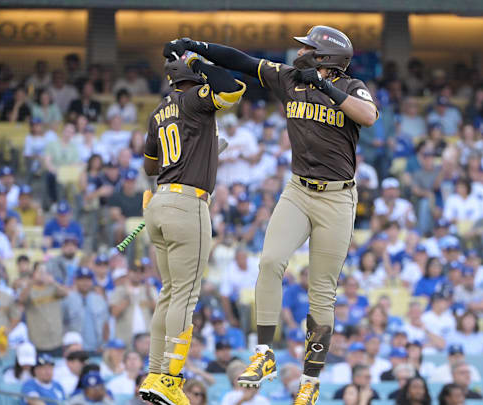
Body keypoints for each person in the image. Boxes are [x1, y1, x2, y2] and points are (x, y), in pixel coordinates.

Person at [165, 26, 378, 403]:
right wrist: (198, 47)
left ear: (327, 58)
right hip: (298, 190)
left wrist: (327, 87)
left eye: (309, 48)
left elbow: (368, 115)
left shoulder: (352, 85)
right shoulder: (289, 78)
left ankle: (310, 381)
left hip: (337, 199)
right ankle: (264, 354)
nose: (300, 52)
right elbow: (243, 62)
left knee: (321, 294)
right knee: (269, 263)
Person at [139, 51, 246, 405]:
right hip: (187, 204)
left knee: (168, 294)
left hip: (159, 202)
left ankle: (155, 373)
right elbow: (232, 89)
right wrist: (204, 64)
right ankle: (170, 379)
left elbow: (151, 166)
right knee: (185, 295)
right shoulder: (196, 99)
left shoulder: (159, 111)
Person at [19, 262, 69, 356]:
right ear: (33, 273)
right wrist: (32, 282)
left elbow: (65, 293)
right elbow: (21, 300)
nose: (42, 274)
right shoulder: (29, 289)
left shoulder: (53, 287)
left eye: (44, 271)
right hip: (37, 342)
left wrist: (53, 282)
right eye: (39, 271)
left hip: (56, 341)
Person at [62, 267, 110, 352]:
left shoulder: (99, 300)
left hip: (96, 348)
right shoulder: (67, 300)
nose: (85, 283)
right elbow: (62, 324)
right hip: (74, 348)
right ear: (76, 281)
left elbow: (105, 325)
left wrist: (104, 345)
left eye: (88, 280)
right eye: (82, 279)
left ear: (92, 281)